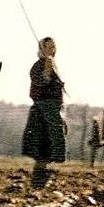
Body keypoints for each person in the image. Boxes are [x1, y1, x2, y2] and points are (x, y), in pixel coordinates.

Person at [21, 37, 67, 188]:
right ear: (41, 49)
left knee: (46, 148)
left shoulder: (53, 65)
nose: (51, 50)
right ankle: (38, 182)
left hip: (54, 109)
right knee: (42, 147)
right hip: (42, 110)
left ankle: (40, 182)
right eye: (47, 47)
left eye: (53, 47)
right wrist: (47, 68)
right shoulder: (38, 66)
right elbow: (42, 83)